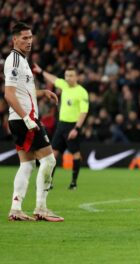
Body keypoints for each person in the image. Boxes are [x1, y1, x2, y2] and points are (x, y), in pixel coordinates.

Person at [4, 22, 63, 222]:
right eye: (24, 38)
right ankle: (41, 208)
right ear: (14, 39)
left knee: (27, 165)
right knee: (49, 160)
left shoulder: (22, 60)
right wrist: (27, 118)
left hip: (21, 119)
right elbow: (9, 95)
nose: (29, 41)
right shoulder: (14, 61)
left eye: (30, 37)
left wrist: (42, 92)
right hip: (24, 120)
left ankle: (16, 208)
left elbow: (22, 92)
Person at [33, 63, 89, 190]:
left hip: (73, 126)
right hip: (61, 125)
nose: (68, 78)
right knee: (53, 154)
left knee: (75, 154)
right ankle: (49, 182)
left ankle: (73, 183)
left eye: (71, 75)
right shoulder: (64, 85)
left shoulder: (82, 92)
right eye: (67, 76)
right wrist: (41, 71)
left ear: (77, 77)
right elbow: (53, 79)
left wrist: (77, 128)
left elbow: (84, 112)